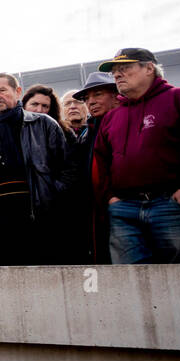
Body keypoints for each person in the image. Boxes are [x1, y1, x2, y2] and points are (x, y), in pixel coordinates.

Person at [93, 48, 180, 264]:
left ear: (149, 68)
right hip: (124, 209)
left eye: (124, 68)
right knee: (129, 280)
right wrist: (111, 198)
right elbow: (101, 159)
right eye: (114, 71)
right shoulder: (113, 116)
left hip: (175, 205)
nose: (117, 75)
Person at [0, 72, 75, 265]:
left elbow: (67, 169)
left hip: (35, 216)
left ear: (18, 91)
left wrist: (52, 196)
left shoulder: (43, 124)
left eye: (2, 90)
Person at [69, 73, 121, 264]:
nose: (90, 102)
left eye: (97, 94)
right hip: (97, 210)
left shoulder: (126, 120)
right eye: (87, 98)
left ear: (116, 94)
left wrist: (113, 195)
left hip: (125, 204)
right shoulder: (89, 131)